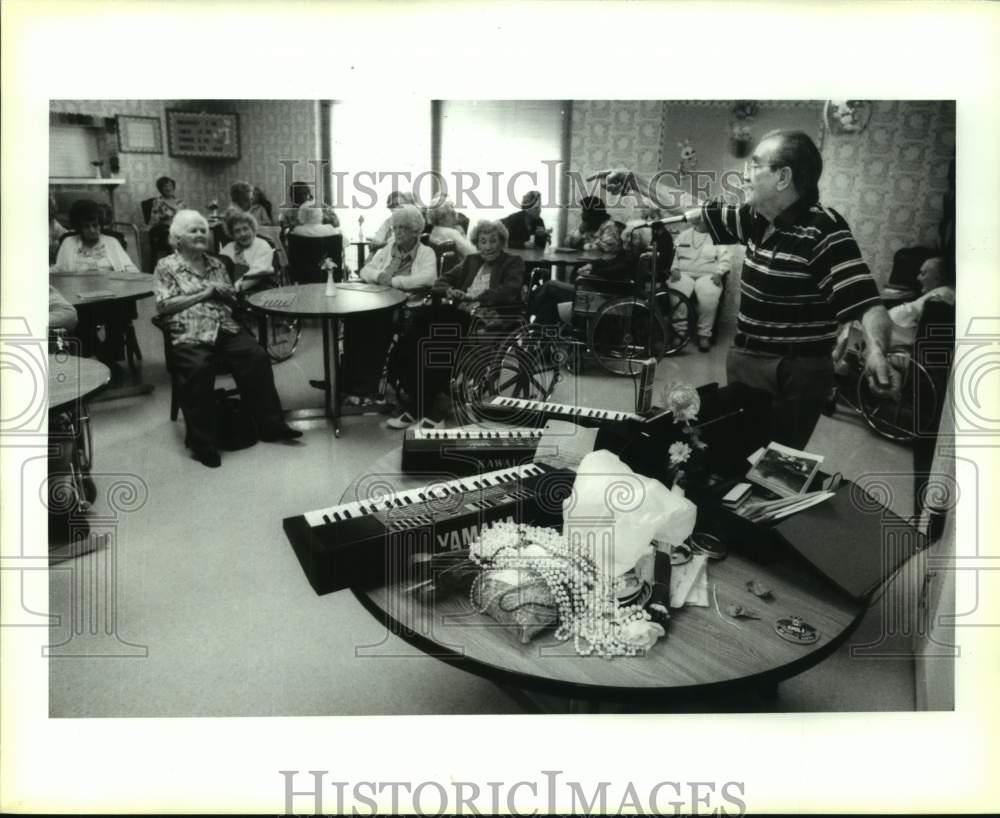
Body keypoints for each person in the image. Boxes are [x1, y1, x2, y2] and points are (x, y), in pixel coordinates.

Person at [590, 129, 899, 450]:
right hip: (746, 358)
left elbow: (867, 303)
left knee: (774, 459)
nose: (744, 175)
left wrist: (877, 352)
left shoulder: (823, 230)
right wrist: (634, 180)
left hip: (794, 371)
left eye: (754, 166)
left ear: (783, 177)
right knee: (738, 448)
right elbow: (692, 208)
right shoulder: (756, 218)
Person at [153, 210, 301, 468]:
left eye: (202, 230)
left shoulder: (217, 264)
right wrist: (207, 292)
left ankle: (271, 426)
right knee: (198, 369)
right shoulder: (166, 266)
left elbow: (231, 299)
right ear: (178, 238)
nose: (201, 234)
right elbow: (164, 305)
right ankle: (203, 443)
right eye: (193, 231)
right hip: (189, 329)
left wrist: (226, 294)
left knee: (256, 357)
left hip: (224, 325)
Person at [388, 219, 525, 429]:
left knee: (439, 340)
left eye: (492, 241)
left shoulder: (513, 262)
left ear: (502, 242)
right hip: (462, 313)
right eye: (483, 241)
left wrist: (478, 295)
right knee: (418, 330)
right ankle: (417, 404)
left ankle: (434, 412)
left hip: (487, 318)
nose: (487, 246)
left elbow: (510, 290)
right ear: (477, 244)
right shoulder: (471, 261)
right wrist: (449, 291)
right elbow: (441, 281)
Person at [336, 205, 437, 405]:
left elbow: (428, 279)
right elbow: (365, 270)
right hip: (379, 299)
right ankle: (347, 381)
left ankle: (366, 386)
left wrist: (393, 282)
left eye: (404, 228)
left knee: (375, 324)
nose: (397, 232)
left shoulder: (426, 253)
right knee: (353, 319)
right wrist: (379, 276)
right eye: (395, 228)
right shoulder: (387, 249)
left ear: (416, 231)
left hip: (406, 306)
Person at [52, 199, 140, 361]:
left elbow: (131, 270)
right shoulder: (69, 244)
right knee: (78, 315)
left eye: (95, 225)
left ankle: (110, 357)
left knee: (117, 311)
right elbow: (59, 271)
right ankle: (92, 354)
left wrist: (119, 279)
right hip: (79, 298)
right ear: (79, 228)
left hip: (111, 297)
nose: (93, 230)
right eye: (87, 227)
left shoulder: (112, 242)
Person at [529, 222, 655, 327]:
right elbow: (609, 262)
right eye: (627, 237)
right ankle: (535, 338)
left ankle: (526, 313)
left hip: (604, 298)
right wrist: (593, 265)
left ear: (640, 240)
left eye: (631, 238)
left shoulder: (634, 257)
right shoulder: (630, 254)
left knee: (551, 286)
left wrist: (592, 271)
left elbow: (617, 270)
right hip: (602, 293)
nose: (627, 241)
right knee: (550, 302)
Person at [669, 226, 732, 351]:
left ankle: (704, 335)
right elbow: (673, 255)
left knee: (709, 297)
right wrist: (674, 268)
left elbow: (725, 259)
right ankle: (679, 333)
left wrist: (719, 273)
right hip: (684, 273)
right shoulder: (683, 235)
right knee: (677, 295)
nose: (702, 221)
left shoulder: (718, 236)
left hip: (708, 275)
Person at [219, 210, 276, 292]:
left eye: (245, 229)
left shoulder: (262, 245)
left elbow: (258, 275)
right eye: (237, 231)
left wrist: (235, 290)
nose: (243, 234)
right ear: (232, 235)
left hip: (261, 289)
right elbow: (221, 273)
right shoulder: (228, 249)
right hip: (233, 290)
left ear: (253, 229)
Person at [426, 198, 475, 269]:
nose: (456, 216)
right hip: (459, 273)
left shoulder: (434, 230)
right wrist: (462, 235)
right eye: (452, 214)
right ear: (441, 219)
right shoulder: (451, 233)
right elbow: (473, 253)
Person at [49, 194, 68, 264]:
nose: (56, 210)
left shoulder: (52, 222)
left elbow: (65, 233)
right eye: (52, 207)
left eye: (55, 207)